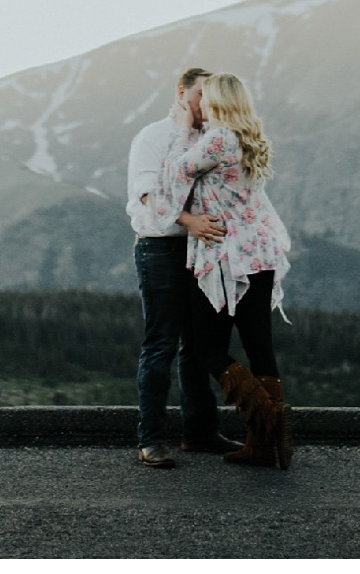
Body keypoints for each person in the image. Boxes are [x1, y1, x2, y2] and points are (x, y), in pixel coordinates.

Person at [146, 71, 295, 468]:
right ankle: (266, 444)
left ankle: (266, 422)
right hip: (259, 255)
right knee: (259, 345)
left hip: (225, 257)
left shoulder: (217, 138)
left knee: (207, 348)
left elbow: (172, 175)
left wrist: (180, 131)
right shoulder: (250, 137)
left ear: (217, 102)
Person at [127, 67, 239, 468]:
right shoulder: (153, 136)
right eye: (199, 95)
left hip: (202, 250)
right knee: (161, 344)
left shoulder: (212, 138)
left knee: (198, 345)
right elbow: (145, 194)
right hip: (160, 248)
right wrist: (189, 221)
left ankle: (200, 433)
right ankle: (151, 439)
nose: (205, 103)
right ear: (181, 92)